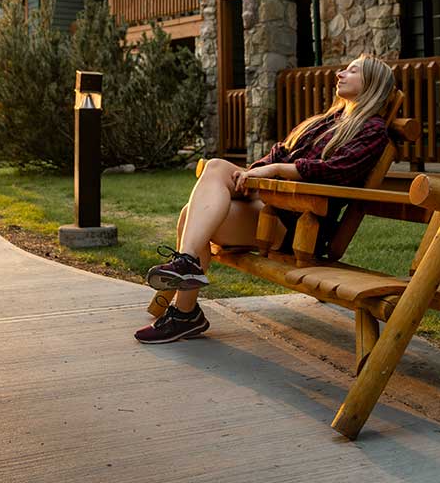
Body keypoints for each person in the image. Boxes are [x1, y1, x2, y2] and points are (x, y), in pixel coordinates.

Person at [134, 54, 396, 344]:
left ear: (371, 83)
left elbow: (335, 172)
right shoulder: (325, 122)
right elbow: (279, 153)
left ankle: (185, 306)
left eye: (352, 71)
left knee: (192, 213)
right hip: (271, 206)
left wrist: (275, 170)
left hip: (296, 223)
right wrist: (255, 173)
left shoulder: (373, 131)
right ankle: (185, 292)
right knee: (214, 172)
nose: (340, 74)